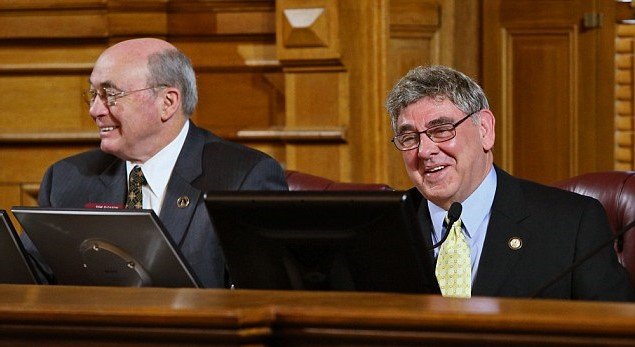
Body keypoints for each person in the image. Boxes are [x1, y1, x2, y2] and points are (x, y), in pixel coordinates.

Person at [34, 38, 288, 287]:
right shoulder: (67, 178)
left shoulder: (242, 178)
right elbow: (28, 279)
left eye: (110, 94)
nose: (95, 110)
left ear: (167, 102)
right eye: (93, 94)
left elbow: (262, 294)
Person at [385, 65, 634, 301]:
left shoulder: (573, 224)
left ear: (484, 129)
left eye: (441, 130)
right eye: (409, 137)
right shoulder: (384, 229)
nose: (425, 150)